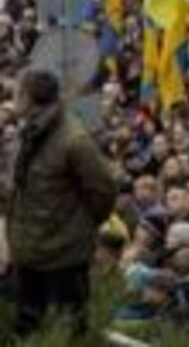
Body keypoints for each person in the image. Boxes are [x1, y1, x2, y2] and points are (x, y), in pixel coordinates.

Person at [5, 68, 117, 337]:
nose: (11, 99)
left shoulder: (73, 141)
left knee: (70, 331)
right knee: (27, 328)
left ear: (29, 98)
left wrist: (77, 225)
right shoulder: (29, 132)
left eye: (16, 92)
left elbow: (104, 191)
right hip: (29, 251)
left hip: (64, 257)